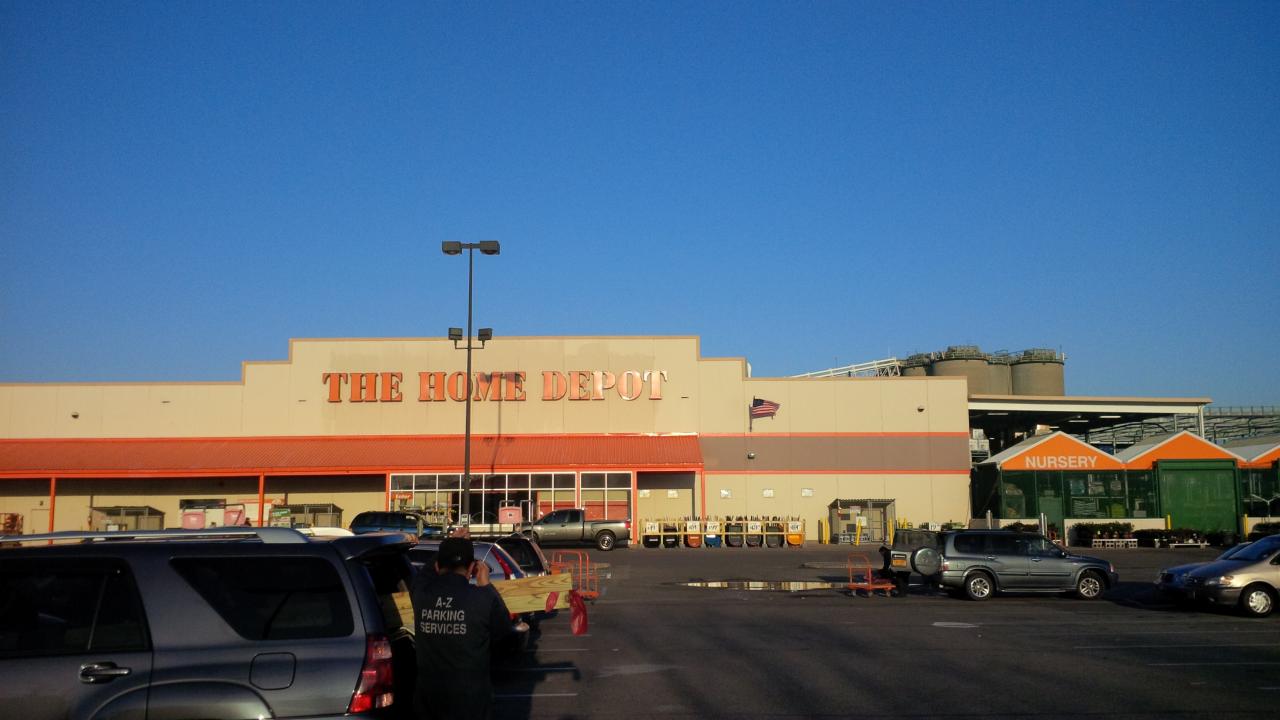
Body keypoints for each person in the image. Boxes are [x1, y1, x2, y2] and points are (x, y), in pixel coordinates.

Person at [410, 537, 516, 720]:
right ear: (471, 569)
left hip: (429, 704)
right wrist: (486, 585)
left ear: (437, 566)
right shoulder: (483, 598)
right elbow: (505, 633)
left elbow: (423, 576)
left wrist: (448, 545)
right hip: (471, 704)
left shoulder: (421, 594)